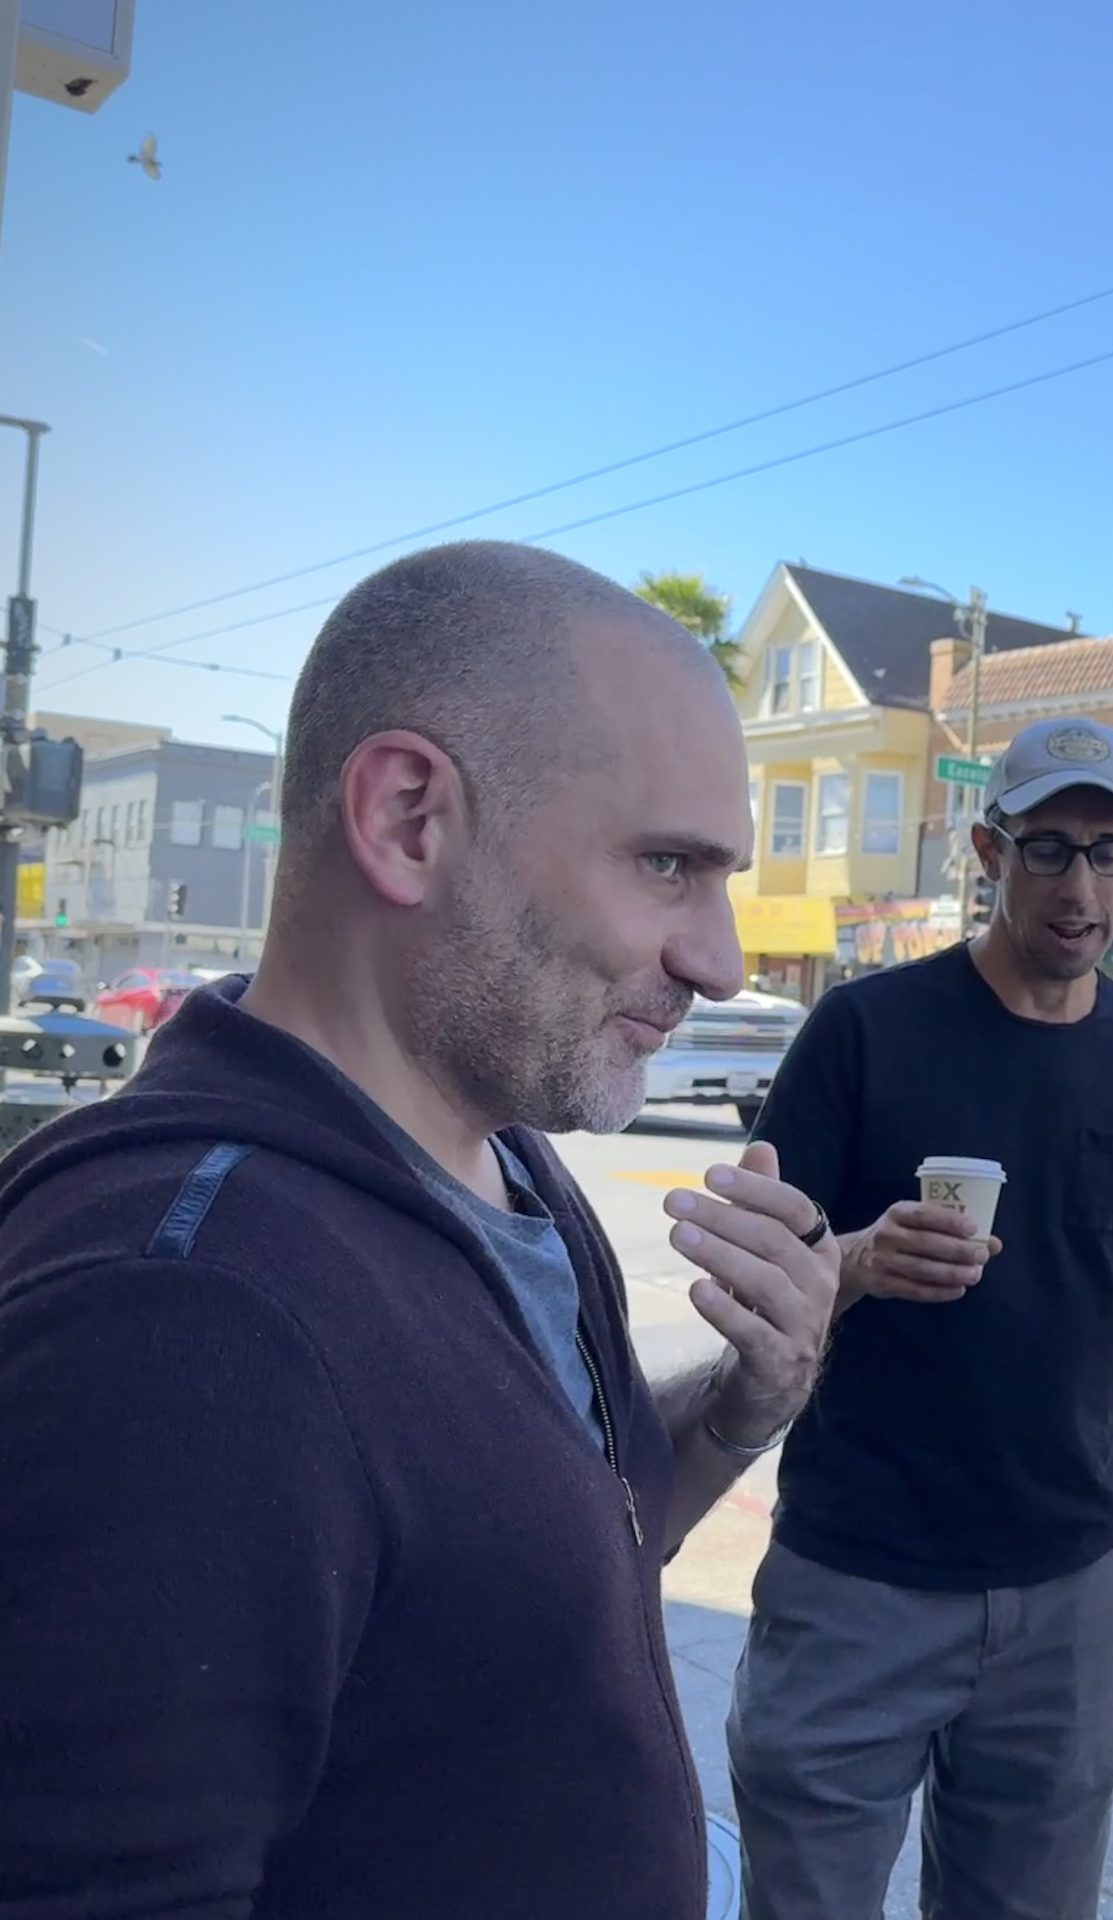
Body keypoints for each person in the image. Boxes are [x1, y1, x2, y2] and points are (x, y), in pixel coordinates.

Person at [0, 541, 841, 1918]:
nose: (723, 959)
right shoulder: (182, 1310)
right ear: (406, 820)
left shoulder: (498, 1154)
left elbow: (549, 1565)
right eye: (669, 865)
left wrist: (747, 1406)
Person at [729, 714, 1113, 1920]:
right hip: (856, 1582)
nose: (1081, 888)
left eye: (1109, 851)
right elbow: (755, 1301)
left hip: (1066, 1591)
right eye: (1048, 849)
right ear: (988, 850)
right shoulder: (863, 1033)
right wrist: (860, 1261)